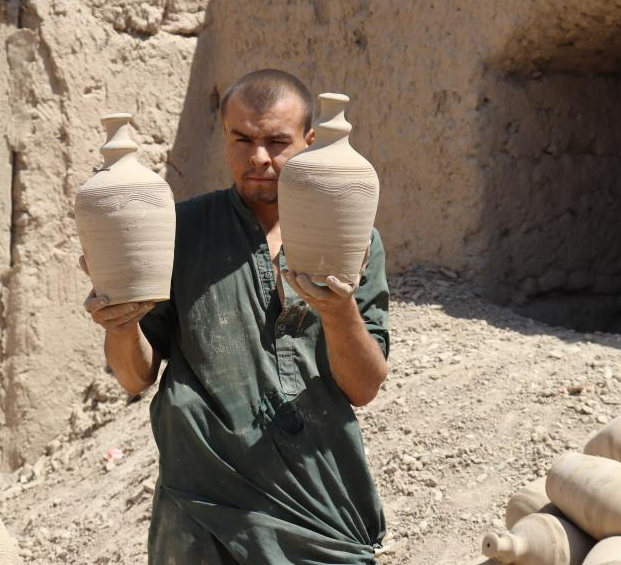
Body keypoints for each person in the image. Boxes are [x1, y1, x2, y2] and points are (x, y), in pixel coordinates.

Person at [82, 69, 390, 564]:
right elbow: (135, 376)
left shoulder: (352, 240)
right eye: (241, 139)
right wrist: (120, 323)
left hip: (315, 498)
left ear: (310, 141)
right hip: (201, 506)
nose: (258, 158)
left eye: (276, 141)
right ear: (223, 135)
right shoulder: (179, 231)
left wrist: (339, 312)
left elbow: (364, 387)